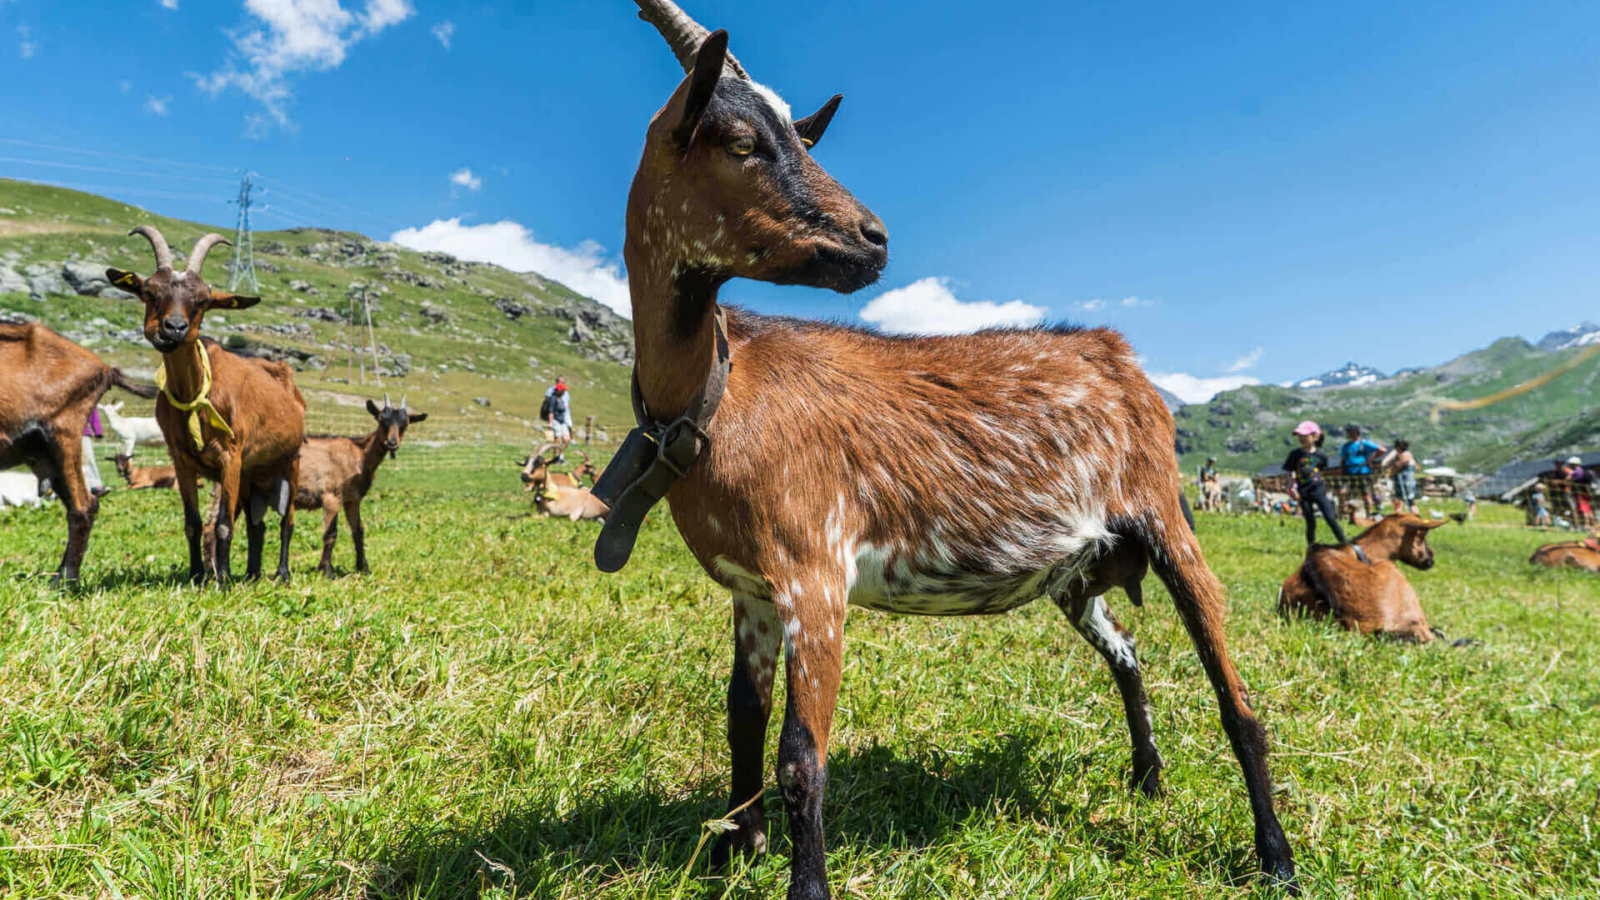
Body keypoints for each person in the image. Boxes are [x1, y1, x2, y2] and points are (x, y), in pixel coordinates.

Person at [1283, 420, 1362, 557]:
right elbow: (1289, 471)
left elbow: (1322, 471)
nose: (1301, 438)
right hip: (1303, 492)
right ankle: (1311, 549)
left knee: (1330, 518)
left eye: (1305, 435)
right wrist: (1291, 486)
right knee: (1310, 521)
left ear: (1315, 437)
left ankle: (1345, 544)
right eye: (1299, 436)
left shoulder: (1321, 455)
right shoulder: (1295, 454)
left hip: (1318, 490)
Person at [1339, 424, 1386, 521]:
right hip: (1349, 472)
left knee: (1366, 494)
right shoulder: (1346, 446)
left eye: (1349, 431)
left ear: (1355, 432)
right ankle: (1352, 517)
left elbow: (1381, 450)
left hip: (1362, 472)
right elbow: (1343, 459)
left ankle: (1369, 515)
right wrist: (1342, 471)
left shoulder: (1364, 443)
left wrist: (1369, 460)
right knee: (1349, 494)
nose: (1347, 434)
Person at [543, 377, 574, 459]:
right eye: (563, 390)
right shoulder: (553, 399)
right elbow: (551, 411)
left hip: (562, 420)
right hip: (555, 420)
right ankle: (556, 456)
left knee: (566, 438)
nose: (564, 391)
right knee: (558, 439)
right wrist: (550, 422)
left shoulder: (562, 399)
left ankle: (561, 455)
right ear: (559, 391)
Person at [1561, 456, 1595, 529]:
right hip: (1586, 492)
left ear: (1574, 464)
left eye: (1571, 464)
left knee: (1584, 509)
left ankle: (1586, 524)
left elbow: (1569, 481)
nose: (1569, 465)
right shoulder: (1582, 470)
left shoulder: (1576, 472)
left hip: (1580, 493)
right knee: (1588, 509)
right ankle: (1593, 524)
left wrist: (1568, 477)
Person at [1387, 438, 1419, 515]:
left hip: (1405, 481)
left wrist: (1392, 465)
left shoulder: (1405, 454)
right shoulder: (1405, 454)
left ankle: (1414, 516)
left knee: (1409, 500)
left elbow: (1398, 466)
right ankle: (1401, 515)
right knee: (1400, 500)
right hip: (1403, 480)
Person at [82, 406, 105, 495]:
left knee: (88, 459)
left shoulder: (83, 392)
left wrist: (97, 430)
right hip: (62, 431)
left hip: (82, 430)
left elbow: (92, 407)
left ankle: (95, 485)